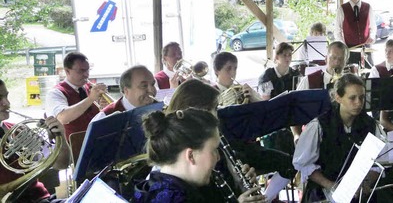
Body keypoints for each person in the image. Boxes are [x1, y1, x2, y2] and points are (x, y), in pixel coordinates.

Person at [166, 79, 292, 202]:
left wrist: (239, 183)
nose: (217, 116)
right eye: (214, 109)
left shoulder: (211, 145)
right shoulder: (176, 171)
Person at [133, 108, 265, 203]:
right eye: (214, 150)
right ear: (190, 156)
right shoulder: (171, 198)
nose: (218, 157)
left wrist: (238, 186)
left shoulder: (187, 184)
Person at [292, 74, 386, 202]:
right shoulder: (319, 125)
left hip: (359, 194)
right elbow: (304, 164)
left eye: (362, 97)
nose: (358, 103)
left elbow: (379, 162)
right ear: (338, 97)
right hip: (324, 192)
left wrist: (366, 182)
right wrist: (332, 186)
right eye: (352, 98)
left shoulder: (371, 125)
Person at [1, 79, 71, 203]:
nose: (7, 103)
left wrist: (60, 137)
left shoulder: (16, 130)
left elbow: (61, 164)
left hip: (41, 199)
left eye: (6, 96)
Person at [46, 52, 106, 139]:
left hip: (96, 139)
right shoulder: (55, 93)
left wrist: (105, 106)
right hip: (73, 146)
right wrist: (91, 99)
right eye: (81, 71)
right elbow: (62, 118)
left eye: (87, 70)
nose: (86, 74)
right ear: (67, 71)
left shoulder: (90, 88)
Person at [334, 0, 376, 67]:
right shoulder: (342, 9)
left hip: (366, 49)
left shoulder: (368, 7)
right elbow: (337, 31)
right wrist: (343, 46)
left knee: (369, 75)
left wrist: (371, 36)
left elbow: (373, 27)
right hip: (350, 50)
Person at [93, 65, 157, 121]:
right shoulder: (104, 118)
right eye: (144, 86)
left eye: (153, 84)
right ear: (126, 91)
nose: (151, 90)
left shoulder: (161, 109)